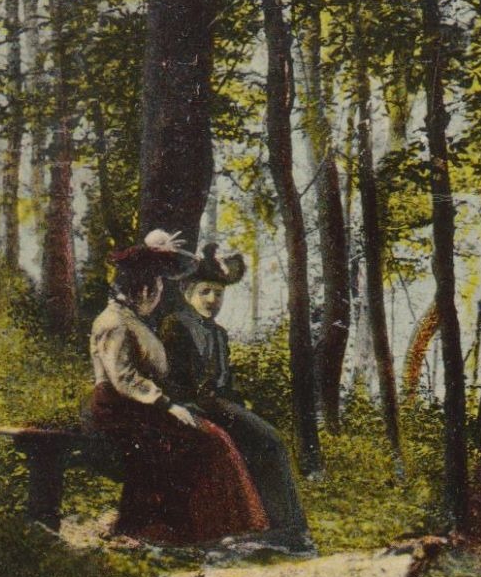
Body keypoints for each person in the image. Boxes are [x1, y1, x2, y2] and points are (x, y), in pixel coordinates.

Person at [87, 230, 267, 547]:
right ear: (140, 290)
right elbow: (125, 378)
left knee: (211, 435)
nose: (157, 297)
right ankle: (182, 529)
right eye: (155, 290)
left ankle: (214, 529)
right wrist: (168, 405)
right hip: (120, 408)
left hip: (141, 405)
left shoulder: (131, 319)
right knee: (209, 439)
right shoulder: (113, 322)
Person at [160, 244, 315, 556]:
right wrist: (204, 406)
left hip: (218, 406)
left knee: (267, 441)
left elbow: (224, 381)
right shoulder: (177, 325)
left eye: (218, 294)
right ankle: (285, 528)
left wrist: (238, 403)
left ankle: (282, 528)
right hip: (193, 407)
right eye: (205, 292)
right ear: (189, 291)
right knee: (268, 440)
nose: (212, 300)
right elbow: (177, 380)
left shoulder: (219, 333)